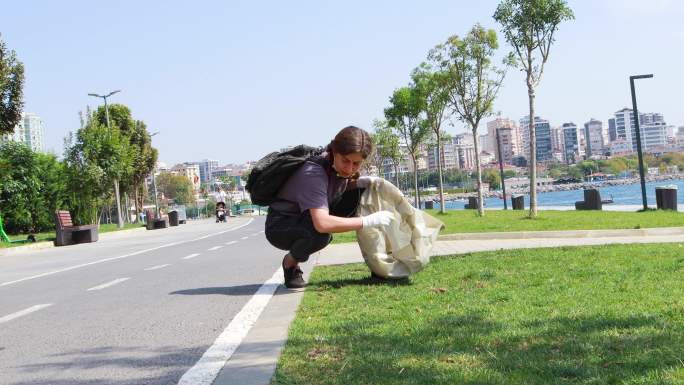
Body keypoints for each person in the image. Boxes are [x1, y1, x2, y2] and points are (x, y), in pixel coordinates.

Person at [265, 126, 394, 288]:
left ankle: (379, 263)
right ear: (334, 151)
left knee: (366, 194)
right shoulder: (313, 173)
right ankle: (290, 263)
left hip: (306, 216)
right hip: (280, 225)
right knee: (320, 235)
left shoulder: (338, 169)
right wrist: (368, 221)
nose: (350, 168)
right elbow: (322, 223)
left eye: (357, 163)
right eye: (345, 161)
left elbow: (337, 190)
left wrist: (362, 183)